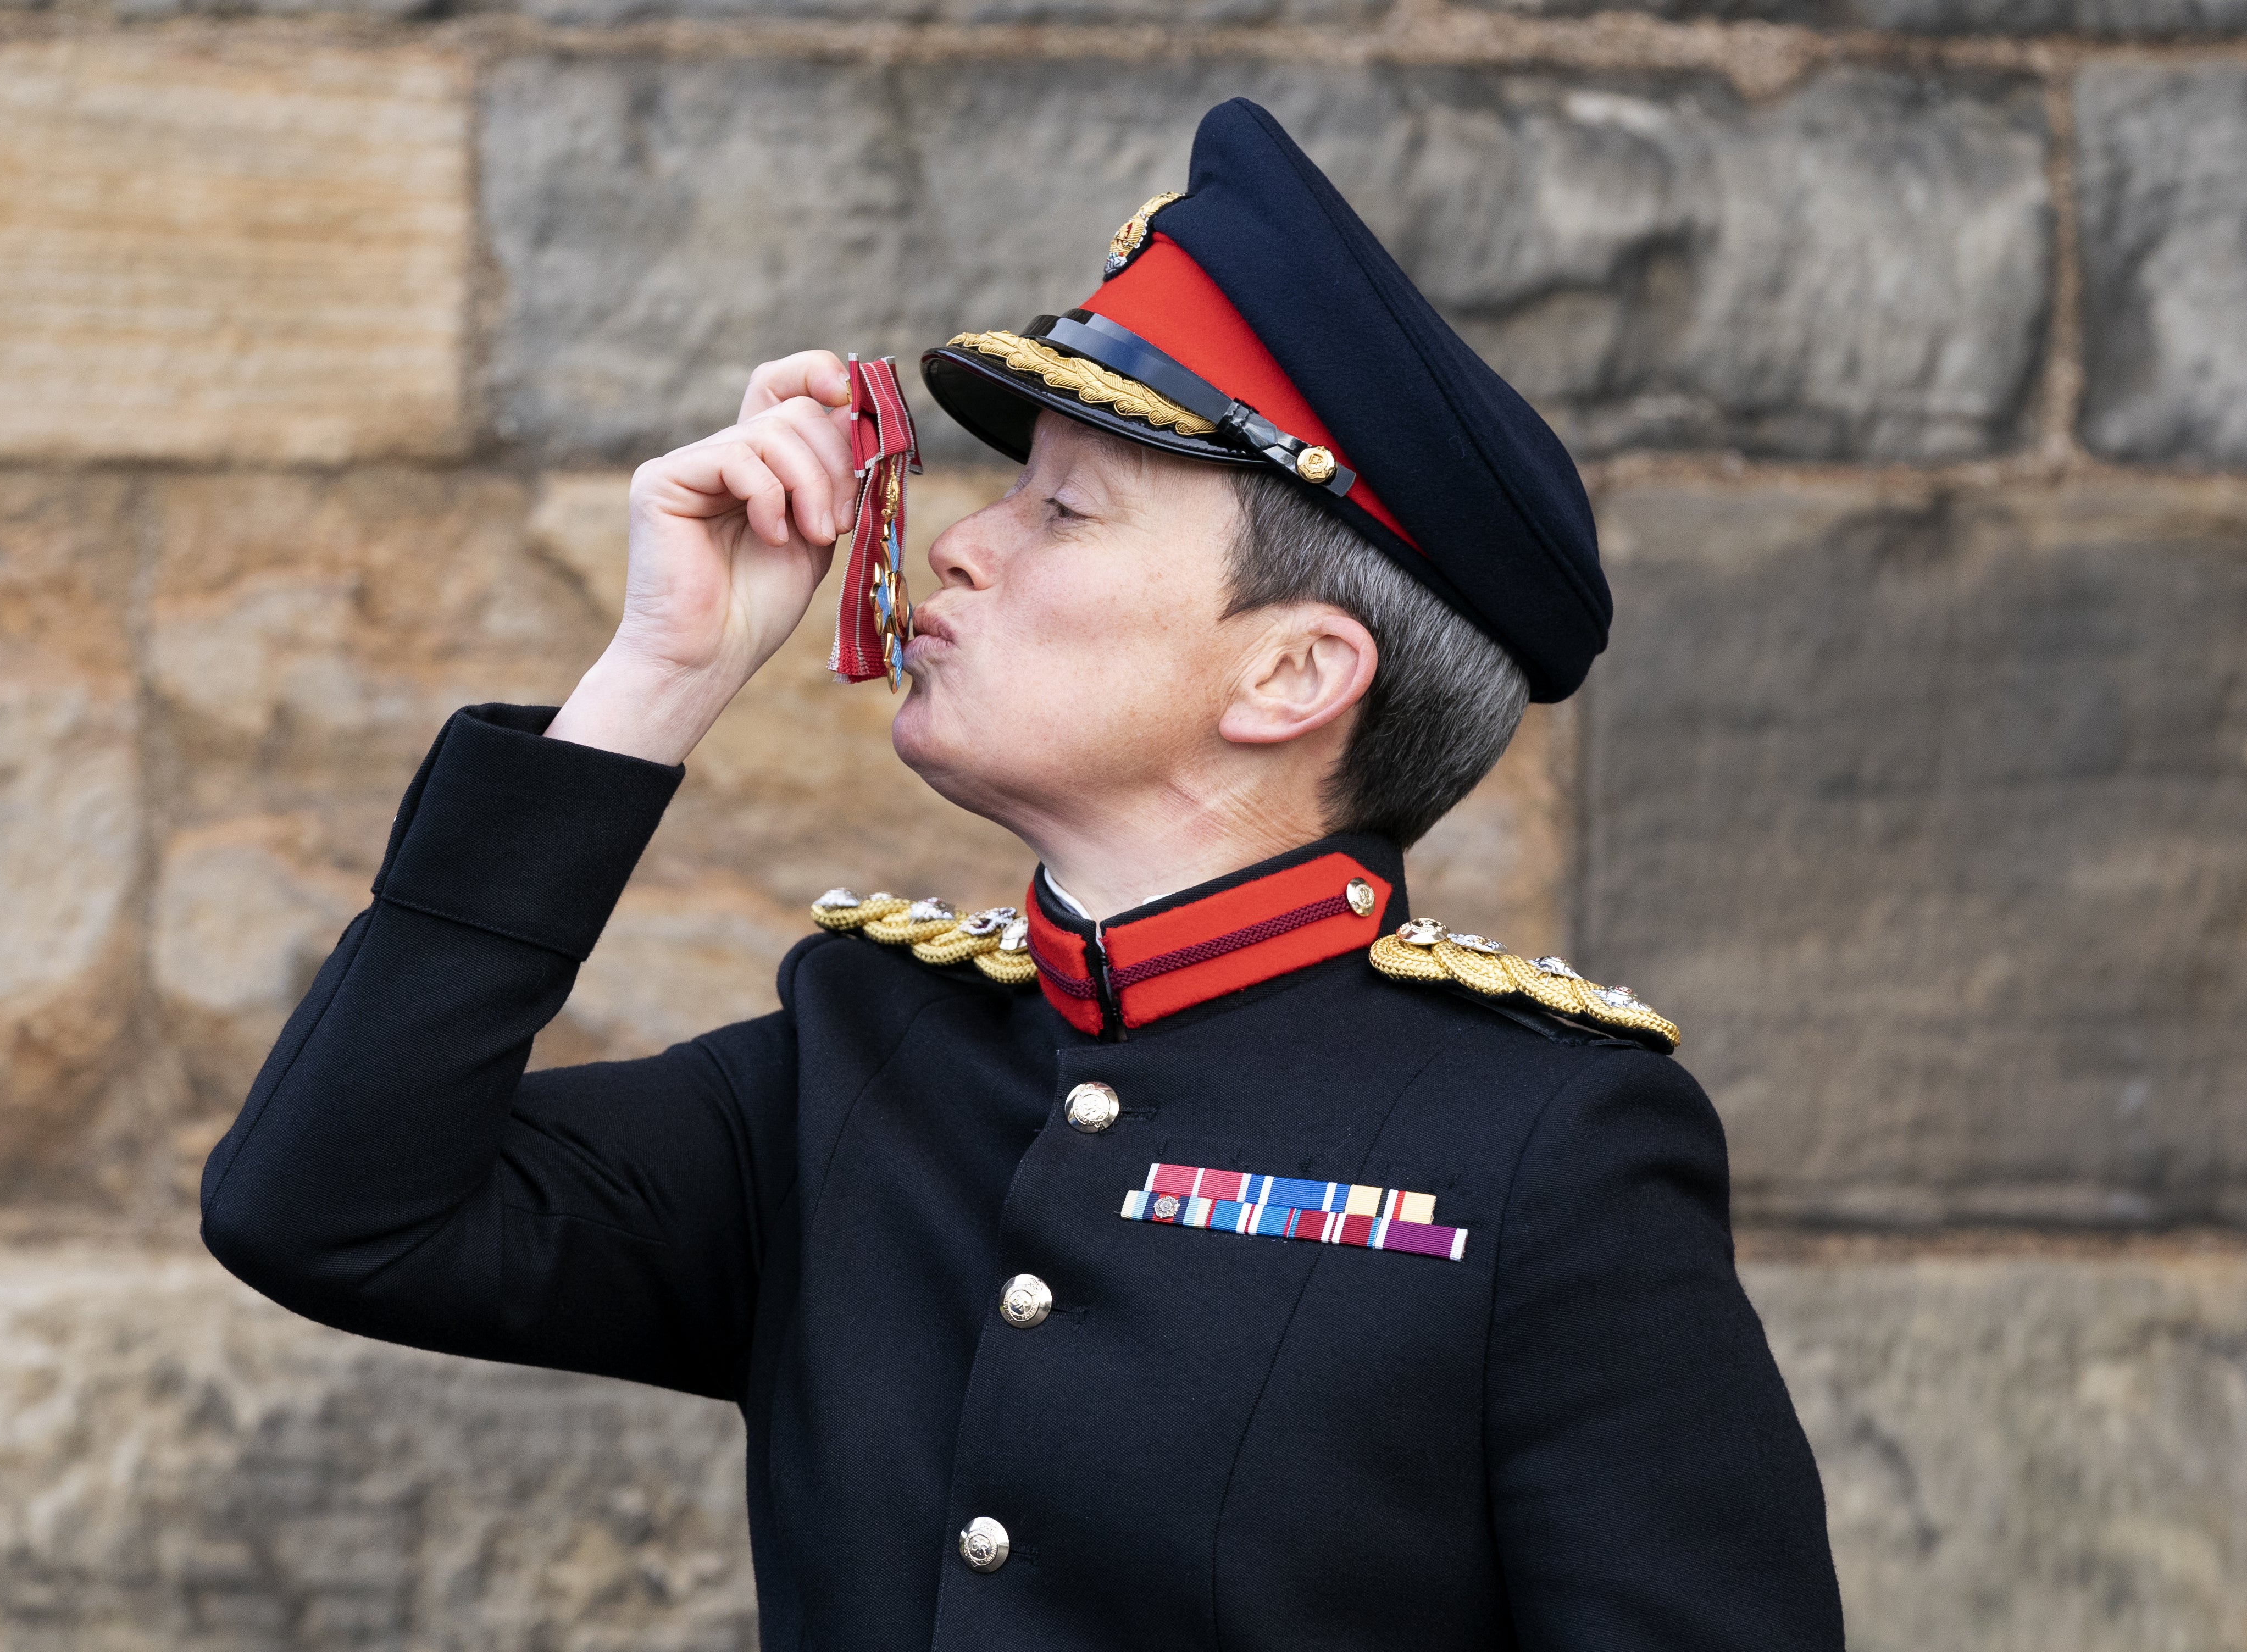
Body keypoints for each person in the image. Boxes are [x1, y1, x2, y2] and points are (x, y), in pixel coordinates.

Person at [201, 97, 1844, 1650]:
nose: (964, 545)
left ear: (1289, 677)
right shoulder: (864, 1059)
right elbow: (331, 1212)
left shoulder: (1538, 1145)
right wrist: (656, 680)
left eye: (1065, 510)